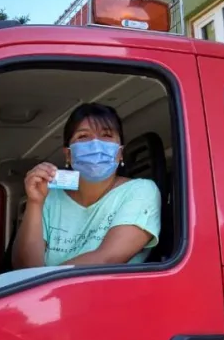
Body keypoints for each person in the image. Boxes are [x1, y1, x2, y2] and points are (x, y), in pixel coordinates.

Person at [11, 102, 161, 269]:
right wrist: (35, 202)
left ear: (120, 152)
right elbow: (25, 268)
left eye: (106, 135)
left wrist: (45, 280)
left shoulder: (140, 191)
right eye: (83, 136)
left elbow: (107, 259)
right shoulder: (49, 198)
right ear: (68, 154)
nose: (95, 145)